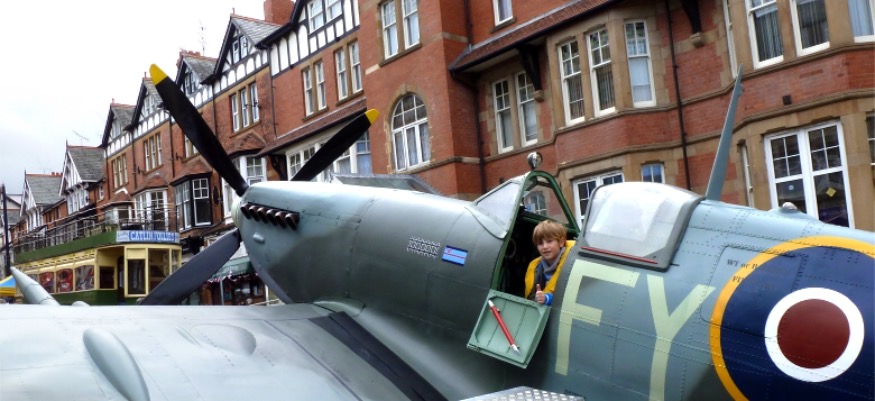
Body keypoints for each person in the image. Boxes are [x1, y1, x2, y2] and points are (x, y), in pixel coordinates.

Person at [525, 220, 576, 306]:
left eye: (549, 241)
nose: (545, 247)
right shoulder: (536, 268)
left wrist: (547, 299)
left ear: (561, 242)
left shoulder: (572, 265)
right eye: (540, 243)